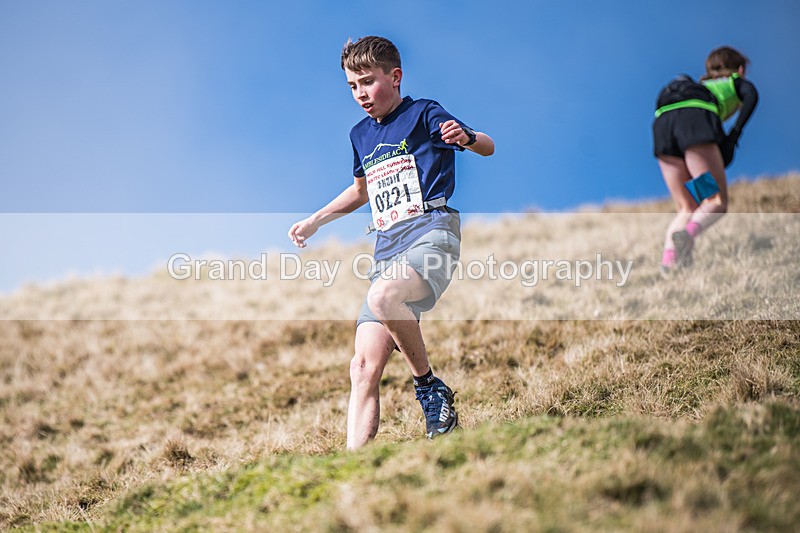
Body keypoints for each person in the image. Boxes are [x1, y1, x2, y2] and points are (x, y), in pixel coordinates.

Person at [288, 36, 495, 449]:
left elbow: (487, 146)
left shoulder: (423, 113)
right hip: (387, 251)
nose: (360, 93)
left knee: (383, 298)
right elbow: (360, 192)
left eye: (367, 81)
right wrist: (316, 220)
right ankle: (354, 468)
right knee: (362, 366)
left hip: (432, 235)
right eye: (352, 86)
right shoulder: (360, 135)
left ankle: (429, 388)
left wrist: (466, 138)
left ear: (395, 76)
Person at [652, 46, 758, 272]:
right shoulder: (732, 82)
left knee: (687, 206)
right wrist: (733, 137)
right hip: (694, 122)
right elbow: (752, 95)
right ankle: (687, 236)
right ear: (740, 69)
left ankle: (670, 263)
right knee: (715, 201)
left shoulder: (700, 86)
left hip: (663, 126)